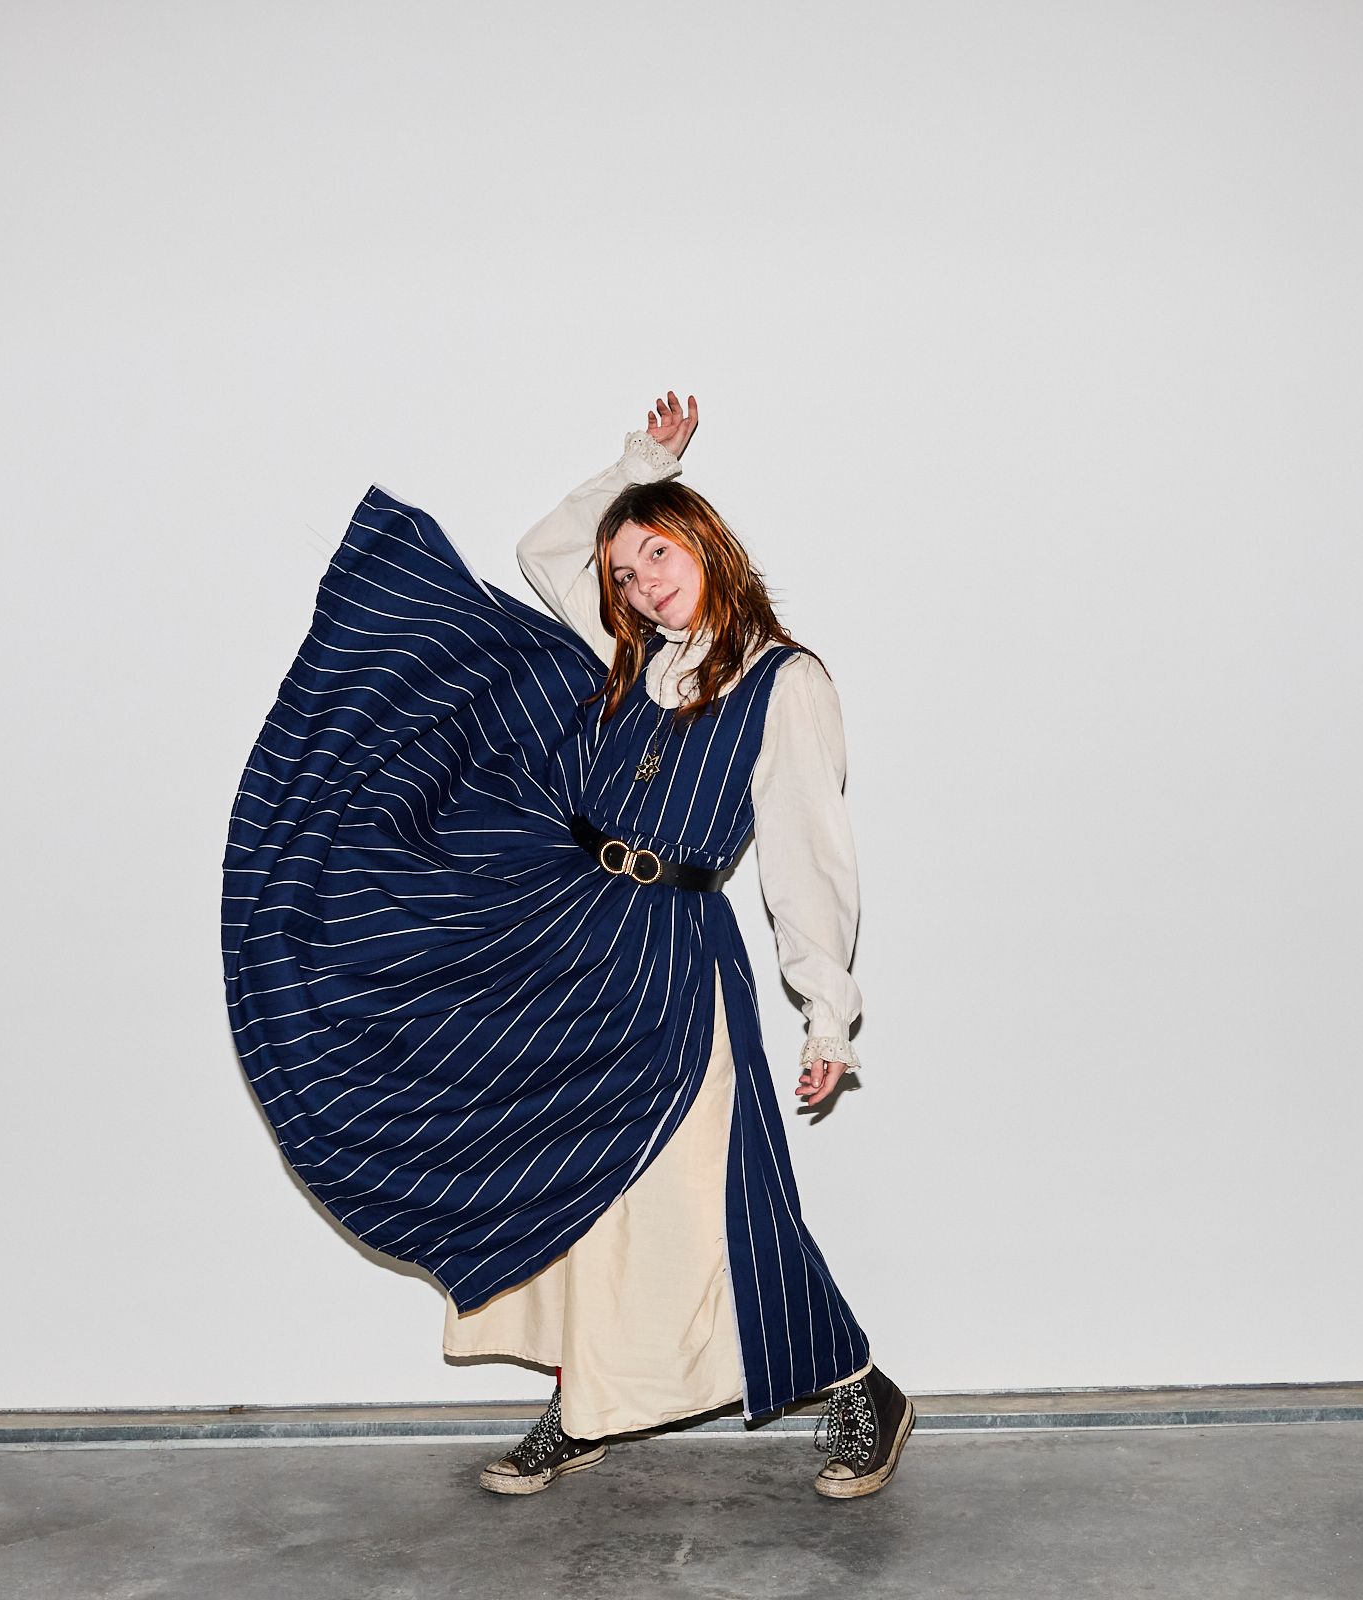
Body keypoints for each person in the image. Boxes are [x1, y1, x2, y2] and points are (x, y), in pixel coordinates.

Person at [221, 391, 912, 1502]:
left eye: (657, 552)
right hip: (564, 938)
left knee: (703, 1192)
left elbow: (807, 861)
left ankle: (856, 1386)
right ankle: (584, 1401)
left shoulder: (789, 684)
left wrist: (826, 1009)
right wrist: (634, 467)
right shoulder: (626, 657)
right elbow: (547, 553)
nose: (639, 583)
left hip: (674, 959)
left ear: (708, 539)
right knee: (561, 1182)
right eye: (626, 574)